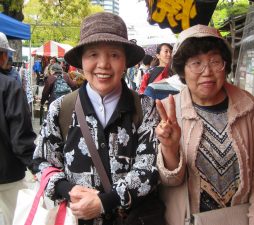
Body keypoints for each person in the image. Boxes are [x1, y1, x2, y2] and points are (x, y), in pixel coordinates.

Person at [32, 12, 164, 225]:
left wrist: (105, 202)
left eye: (114, 55)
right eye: (93, 54)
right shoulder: (61, 108)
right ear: (82, 61)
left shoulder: (144, 107)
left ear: (125, 62)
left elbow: (150, 167)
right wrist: (68, 189)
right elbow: (41, 161)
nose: (103, 64)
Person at [155, 25, 254, 225]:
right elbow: (170, 182)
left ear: (225, 65)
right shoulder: (170, 110)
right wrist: (169, 148)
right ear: (183, 69)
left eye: (214, 61)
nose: (207, 71)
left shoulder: (246, 105)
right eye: (196, 63)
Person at [0, 32, 36, 225]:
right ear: (3, 55)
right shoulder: (9, 86)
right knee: (15, 218)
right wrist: (35, 165)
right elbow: (20, 135)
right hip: (7, 173)